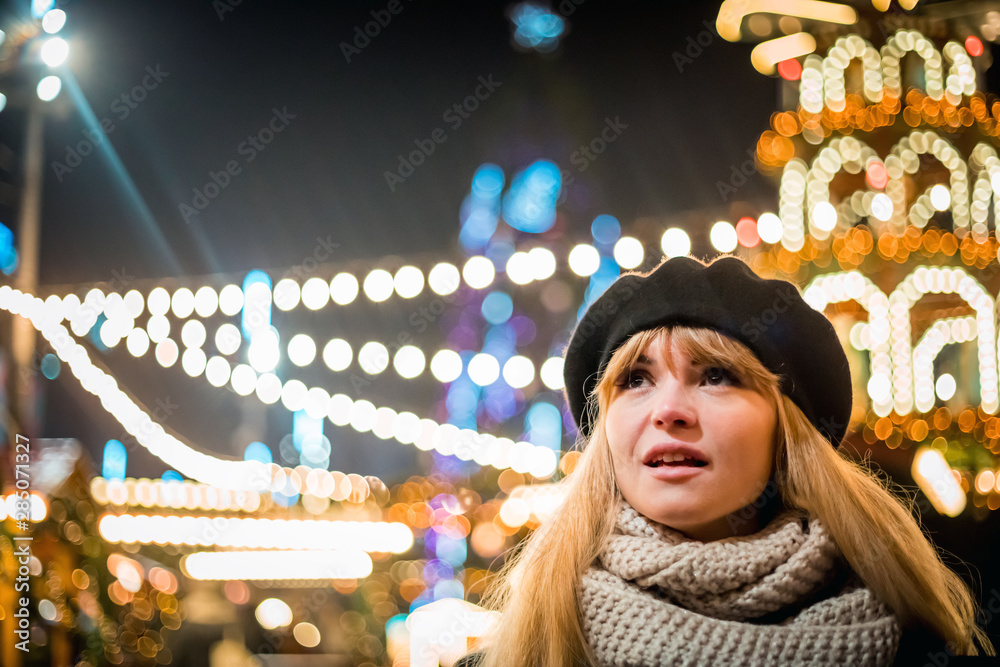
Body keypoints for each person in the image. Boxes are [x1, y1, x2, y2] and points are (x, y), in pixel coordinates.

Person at [455, 255, 996, 667]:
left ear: (787, 430)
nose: (668, 411)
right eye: (636, 380)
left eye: (716, 375)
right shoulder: (517, 652)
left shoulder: (917, 644)